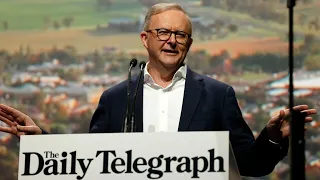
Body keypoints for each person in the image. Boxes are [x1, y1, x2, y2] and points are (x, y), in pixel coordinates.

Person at [0, 3, 317, 177]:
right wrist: (42, 145)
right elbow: (90, 163)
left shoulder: (219, 95)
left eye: (181, 35)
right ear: (144, 38)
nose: (172, 40)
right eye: (163, 31)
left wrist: (273, 136)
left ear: (189, 44)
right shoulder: (114, 99)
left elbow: (252, 165)